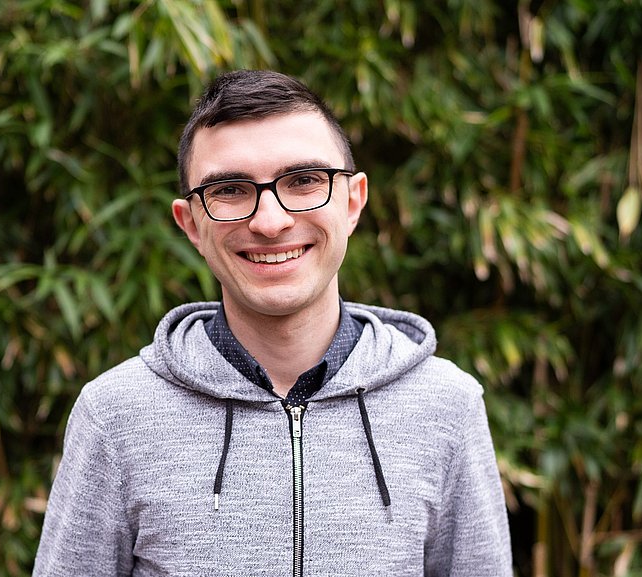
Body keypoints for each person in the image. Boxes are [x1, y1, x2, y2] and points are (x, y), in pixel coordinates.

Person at [32, 69, 513, 576]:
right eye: (230, 189)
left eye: (303, 181)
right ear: (191, 223)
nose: (269, 221)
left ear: (353, 202)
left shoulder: (447, 405)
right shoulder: (115, 415)